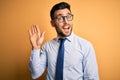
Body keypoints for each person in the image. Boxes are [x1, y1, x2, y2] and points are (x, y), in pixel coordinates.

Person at [29, 2, 99, 80]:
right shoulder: (47, 46)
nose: (66, 22)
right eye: (60, 18)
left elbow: (92, 78)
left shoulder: (85, 46)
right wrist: (35, 48)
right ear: (52, 23)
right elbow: (34, 74)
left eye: (68, 16)